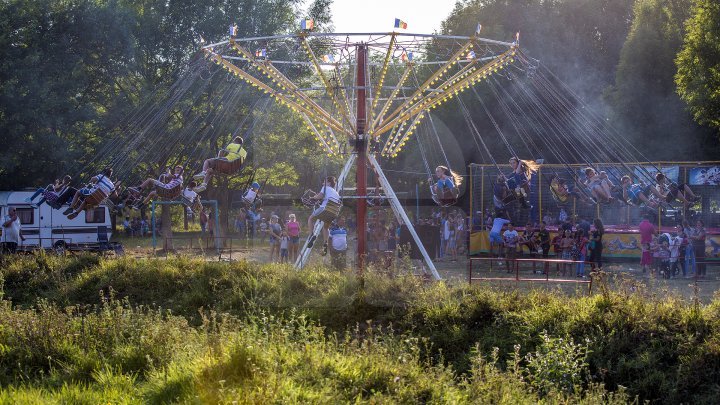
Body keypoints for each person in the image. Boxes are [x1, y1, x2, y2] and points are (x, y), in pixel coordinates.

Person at [306, 176, 342, 255]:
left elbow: (320, 196)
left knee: (311, 219)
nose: (323, 182)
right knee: (325, 227)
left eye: (325, 181)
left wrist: (312, 197)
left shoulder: (325, 187)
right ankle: (325, 243)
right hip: (334, 212)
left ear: (328, 183)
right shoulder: (336, 192)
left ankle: (311, 235)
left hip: (325, 208)